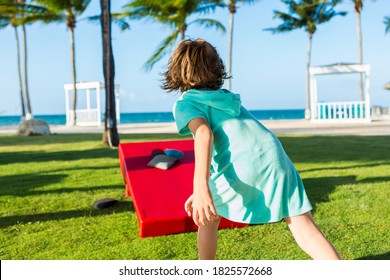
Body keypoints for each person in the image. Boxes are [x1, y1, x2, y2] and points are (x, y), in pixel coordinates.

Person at [162, 38, 341, 260]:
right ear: (216, 68)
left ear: (177, 70)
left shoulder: (186, 103)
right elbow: (236, 140)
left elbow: (203, 134)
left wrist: (201, 188)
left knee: (207, 218)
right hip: (276, 158)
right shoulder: (225, 98)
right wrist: (204, 187)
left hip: (246, 162)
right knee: (305, 230)